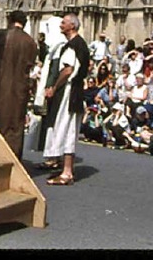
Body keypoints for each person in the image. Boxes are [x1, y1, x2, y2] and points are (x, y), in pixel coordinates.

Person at [39, 13, 90, 186]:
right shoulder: (81, 44)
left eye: (64, 23)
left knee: (65, 128)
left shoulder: (73, 46)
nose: (61, 25)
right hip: (75, 91)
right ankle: (66, 169)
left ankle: (67, 172)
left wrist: (54, 87)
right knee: (68, 130)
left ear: (72, 26)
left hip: (69, 91)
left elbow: (68, 70)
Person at [0, 9, 37, 158]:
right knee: (14, 125)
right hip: (19, 88)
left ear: (9, 20)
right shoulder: (31, 42)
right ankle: (11, 159)